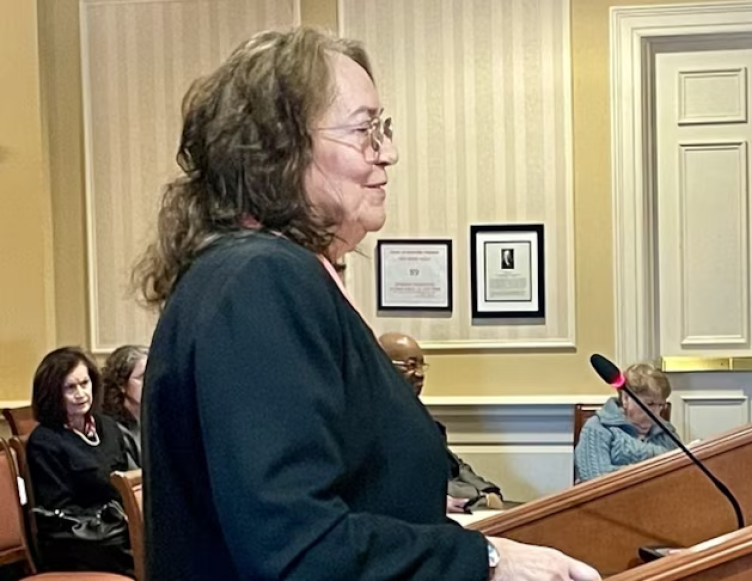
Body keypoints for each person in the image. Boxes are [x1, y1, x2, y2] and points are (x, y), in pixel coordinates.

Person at [134, 27, 600, 581]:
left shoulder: (261, 274)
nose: (389, 153)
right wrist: (487, 561)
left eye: (384, 129)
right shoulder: (259, 280)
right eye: (365, 131)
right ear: (278, 147)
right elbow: (299, 552)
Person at [26, 346, 133, 576]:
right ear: (52, 393)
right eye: (70, 388)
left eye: (85, 384)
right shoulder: (44, 441)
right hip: (78, 542)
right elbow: (58, 510)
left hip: (118, 531)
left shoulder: (109, 427)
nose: (81, 394)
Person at [378, 332, 506, 513]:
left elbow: (455, 467)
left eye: (422, 365)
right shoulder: (374, 422)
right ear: (382, 366)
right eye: (411, 365)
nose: (420, 374)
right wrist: (478, 496)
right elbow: (412, 485)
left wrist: (488, 490)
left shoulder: (422, 418)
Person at [574, 363, 678, 482]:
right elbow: (596, 480)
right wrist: (656, 459)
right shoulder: (597, 427)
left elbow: (683, 471)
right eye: (650, 404)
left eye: (661, 405)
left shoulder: (665, 430)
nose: (656, 413)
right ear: (626, 398)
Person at [101, 345, 148, 468]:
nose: (149, 382)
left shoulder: (154, 420)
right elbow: (131, 481)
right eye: (142, 377)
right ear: (121, 384)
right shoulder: (114, 430)